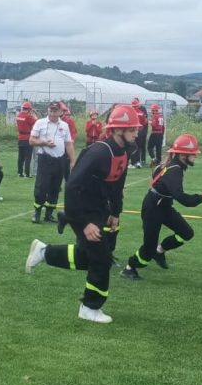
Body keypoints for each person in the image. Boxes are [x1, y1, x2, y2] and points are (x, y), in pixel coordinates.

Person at [25, 104, 140, 324]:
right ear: (117, 130)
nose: (137, 133)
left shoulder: (125, 151)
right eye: (132, 129)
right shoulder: (98, 152)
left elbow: (117, 185)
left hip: (100, 210)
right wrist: (84, 223)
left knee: (90, 257)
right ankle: (89, 308)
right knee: (102, 260)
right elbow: (72, 188)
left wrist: (115, 212)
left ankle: (44, 252)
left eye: (137, 129)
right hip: (81, 211)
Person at [121, 134, 202, 280]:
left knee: (186, 233)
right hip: (153, 208)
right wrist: (201, 198)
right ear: (183, 155)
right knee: (148, 249)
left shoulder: (174, 165)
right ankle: (130, 268)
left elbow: (157, 177)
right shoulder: (175, 170)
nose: (196, 156)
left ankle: (159, 251)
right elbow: (182, 198)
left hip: (163, 206)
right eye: (193, 154)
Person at [29, 102, 75, 224]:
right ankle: (37, 212)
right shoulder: (40, 123)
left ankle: (49, 214)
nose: (52, 113)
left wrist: (73, 161)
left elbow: (68, 144)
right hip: (45, 159)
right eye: (51, 110)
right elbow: (31, 140)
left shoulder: (64, 125)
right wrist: (44, 143)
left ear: (61, 112)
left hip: (60, 160)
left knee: (55, 188)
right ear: (48, 110)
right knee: (41, 187)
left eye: (55, 111)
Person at [15, 100, 37, 177]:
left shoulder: (18, 115)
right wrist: (34, 115)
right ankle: (27, 174)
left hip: (20, 138)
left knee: (20, 157)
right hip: (27, 138)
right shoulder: (28, 116)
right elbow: (36, 122)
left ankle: (20, 173)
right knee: (28, 157)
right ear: (29, 109)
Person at [60, 102, 78, 183]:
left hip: (66, 145)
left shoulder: (69, 121)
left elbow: (73, 132)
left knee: (66, 164)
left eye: (64, 111)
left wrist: (72, 140)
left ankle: (67, 182)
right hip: (57, 146)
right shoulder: (54, 120)